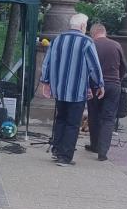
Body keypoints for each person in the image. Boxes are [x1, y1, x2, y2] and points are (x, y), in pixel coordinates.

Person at [39, 13, 104, 166]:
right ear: (82, 26)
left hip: (59, 90)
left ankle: (56, 150)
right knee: (73, 123)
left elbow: (46, 63)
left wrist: (45, 82)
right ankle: (65, 157)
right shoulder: (87, 41)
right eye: (86, 26)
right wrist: (99, 84)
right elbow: (94, 66)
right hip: (77, 90)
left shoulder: (58, 39)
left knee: (60, 119)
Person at [85, 22, 127, 161]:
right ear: (104, 32)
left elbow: (86, 67)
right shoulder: (116, 45)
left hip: (95, 85)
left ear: (93, 32)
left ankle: (95, 145)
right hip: (113, 85)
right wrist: (117, 81)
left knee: (94, 115)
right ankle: (103, 152)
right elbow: (123, 67)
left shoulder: (91, 45)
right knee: (108, 119)